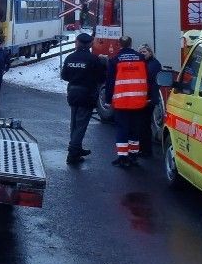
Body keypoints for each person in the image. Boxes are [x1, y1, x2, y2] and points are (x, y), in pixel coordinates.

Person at [61, 32, 105, 165]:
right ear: (90, 44)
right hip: (87, 94)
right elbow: (101, 78)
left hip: (73, 93)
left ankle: (77, 148)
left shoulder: (70, 57)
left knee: (74, 123)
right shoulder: (94, 59)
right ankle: (73, 153)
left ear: (78, 43)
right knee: (81, 125)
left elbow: (64, 76)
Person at [105, 35, 149, 167]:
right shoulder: (141, 58)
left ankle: (123, 157)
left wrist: (108, 99)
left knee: (122, 128)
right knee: (135, 129)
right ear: (131, 44)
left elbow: (110, 82)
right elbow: (148, 78)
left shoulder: (115, 60)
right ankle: (133, 155)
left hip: (121, 102)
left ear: (119, 44)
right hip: (138, 101)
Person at [137, 43, 163, 159]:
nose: (142, 54)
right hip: (143, 97)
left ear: (150, 53)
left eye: (144, 52)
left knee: (144, 124)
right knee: (143, 124)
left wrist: (151, 98)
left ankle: (146, 150)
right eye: (140, 52)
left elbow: (150, 81)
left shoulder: (154, 64)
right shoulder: (144, 63)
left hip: (148, 98)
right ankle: (143, 148)